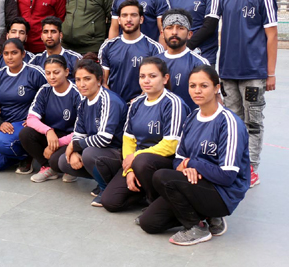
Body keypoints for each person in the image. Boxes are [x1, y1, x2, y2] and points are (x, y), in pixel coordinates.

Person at [138, 66, 250, 246]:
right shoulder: (191, 118)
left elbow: (228, 176)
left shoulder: (229, 122)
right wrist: (187, 167)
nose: (197, 90)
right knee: (149, 223)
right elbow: (178, 159)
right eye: (192, 85)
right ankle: (206, 216)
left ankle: (198, 227)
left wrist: (193, 164)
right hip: (196, 184)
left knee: (162, 176)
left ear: (216, 88)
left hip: (223, 193)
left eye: (204, 86)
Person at [218, 0, 277, 187]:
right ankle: (235, 163)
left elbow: (271, 36)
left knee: (253, 121)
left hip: (253, 72)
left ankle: (251, 168)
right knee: (233, 120)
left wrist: (270, 73)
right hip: (228, 72)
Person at [102, 57, 188, 213]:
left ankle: (159, 202)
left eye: (152, 76)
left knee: (143, 161)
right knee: (110, 202)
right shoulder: (136, 103)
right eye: (142, 76)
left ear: (165, 78)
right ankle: (144, 193)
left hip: (164, 161)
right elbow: (128, 139)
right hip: (138, 162)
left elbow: (171, 144)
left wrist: (135, 157)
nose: (146, 80)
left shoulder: (173, 103)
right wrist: (129, 170)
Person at [57, 54, 127, 207]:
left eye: (87, 79)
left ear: (99, 79)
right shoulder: (84, 103)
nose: (82, 84)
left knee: (89, 154)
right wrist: (74, 151)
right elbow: (78, 133)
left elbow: (104, 138)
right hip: (99, 151)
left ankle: (105, 187)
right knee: (64, 161)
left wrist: (74, 146)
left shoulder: (109, 100)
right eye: (78, 80)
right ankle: (101, 179)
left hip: (118, 152)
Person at [0, 38, 47, 173]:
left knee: (2, 142)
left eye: (14, 53)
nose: (10, 57)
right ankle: (20, 155)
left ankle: (29, 155)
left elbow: (48, 99)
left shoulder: (34, 72)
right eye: (6, 53)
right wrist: (0, 123)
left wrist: (36, 120)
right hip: (7, 124)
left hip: (26, 124)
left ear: (23, 54)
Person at [19, 54, 82, 183]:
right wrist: (48, 131)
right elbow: (31, 118)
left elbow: (83, 130)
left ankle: (68, 167)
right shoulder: (45, 90)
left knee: (56, 160)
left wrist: (56, 144)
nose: (52, 77)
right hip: (52, 135)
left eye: (56, 72)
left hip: (72, 137)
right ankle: (48, 167)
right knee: (25, 134)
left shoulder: (77, 93)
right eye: (48, 73)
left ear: (66, 72)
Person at [99, 0, 165, 102]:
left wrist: (139, 100)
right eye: (124, 15)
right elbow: (102, 81)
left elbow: (157, 81)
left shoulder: (154, 48)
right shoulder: (108, 46)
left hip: (143, 105)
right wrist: (115, 102)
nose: (129, 19)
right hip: (114, 105)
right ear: (119, 20)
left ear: (141, 19)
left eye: (133, 15)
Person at [156, 9, 210, 109]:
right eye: (169, 28)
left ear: (189, 34)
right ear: (162, 33)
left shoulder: (199, 63)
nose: (174, 32)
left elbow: (213, 101)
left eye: (180, 28)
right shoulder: (154, 63)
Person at [28, 16, 83, 81]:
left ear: (60, 35)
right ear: (41, 36)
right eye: (46, 32)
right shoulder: (35, 61)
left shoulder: (74, 58)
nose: (49, 36)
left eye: (53, 32)